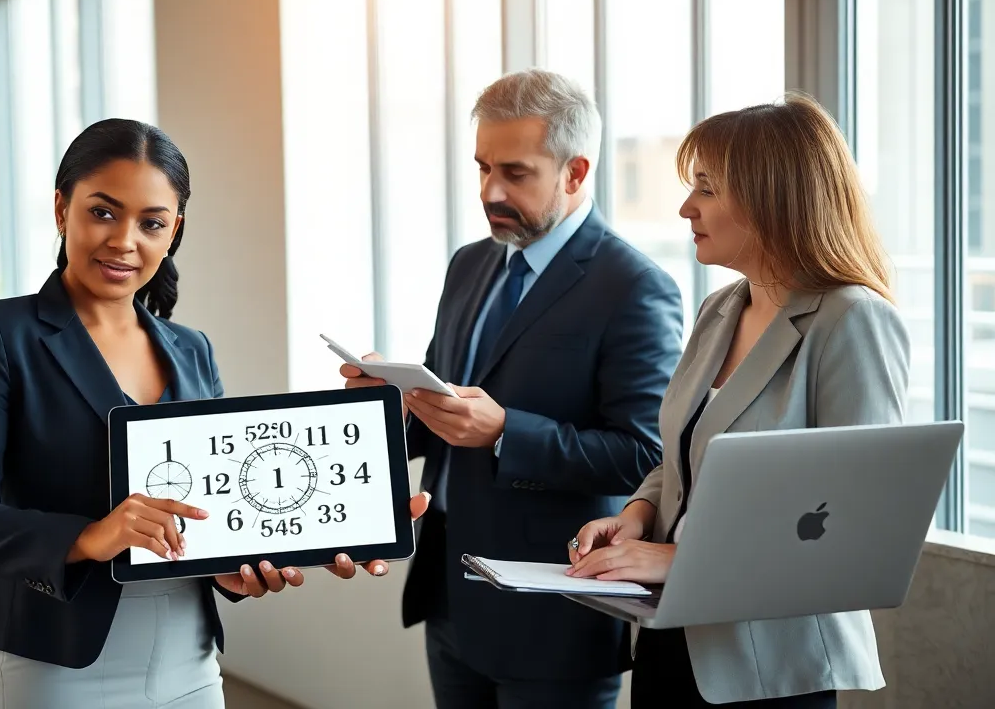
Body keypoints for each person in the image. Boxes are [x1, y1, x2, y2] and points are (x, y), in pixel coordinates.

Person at [0, 119, 428, 708]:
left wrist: (265, 558)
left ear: (175, 231)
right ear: (62, 209)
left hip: (190, 664)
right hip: (52, 663)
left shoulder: (192, 348)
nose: (124, 241)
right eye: (103, 212)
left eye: (152, 223)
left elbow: (216, 513)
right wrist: (91, 536)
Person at [342, 69, 684, 708]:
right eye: (481, 168)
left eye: (515, 173)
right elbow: (445, 412)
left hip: (555, 609)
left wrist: (505, 432)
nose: (489, 190)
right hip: (450, 592)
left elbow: (646, 456)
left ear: (575, 173)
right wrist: (389, 399)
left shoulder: (634, 287)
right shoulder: (470, 264)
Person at [566, 93, 906, 707]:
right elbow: (682, 456)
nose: (685, 207)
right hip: (671, 639)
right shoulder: (719, 309)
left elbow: (856, 521)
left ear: (771, 198)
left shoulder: (852, 320)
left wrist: (678, 556)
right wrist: (637, 516)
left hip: (774, 664)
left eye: (706, 189)